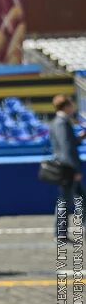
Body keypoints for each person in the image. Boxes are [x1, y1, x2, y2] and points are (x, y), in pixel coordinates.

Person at [50, 94, 84, 239]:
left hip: (67, 167)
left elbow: (69, 143)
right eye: (71, 104)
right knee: (65, 201)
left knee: (80, 198)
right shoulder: (61, 123)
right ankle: (60, 233)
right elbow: (66, 148)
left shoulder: (61, 122)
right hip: (67, 169)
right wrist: (74, 170)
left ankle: (61, 232)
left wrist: (81, 136)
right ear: (66, 106)